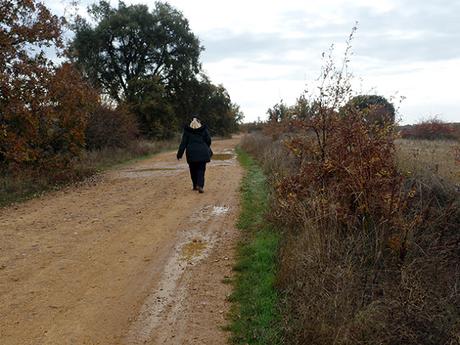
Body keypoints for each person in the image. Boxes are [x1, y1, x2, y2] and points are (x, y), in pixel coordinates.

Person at [176, 117, 212, 193]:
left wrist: (179, 154)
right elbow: (209, 140)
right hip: (202, 153)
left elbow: (183, 144)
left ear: (191, 124)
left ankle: (195, 185)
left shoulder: (187, 132)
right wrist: (206, 146)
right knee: (201, 170)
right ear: (199, 124)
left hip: (191, 154)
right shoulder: (204, 130)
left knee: (193, 170)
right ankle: (200, 185)